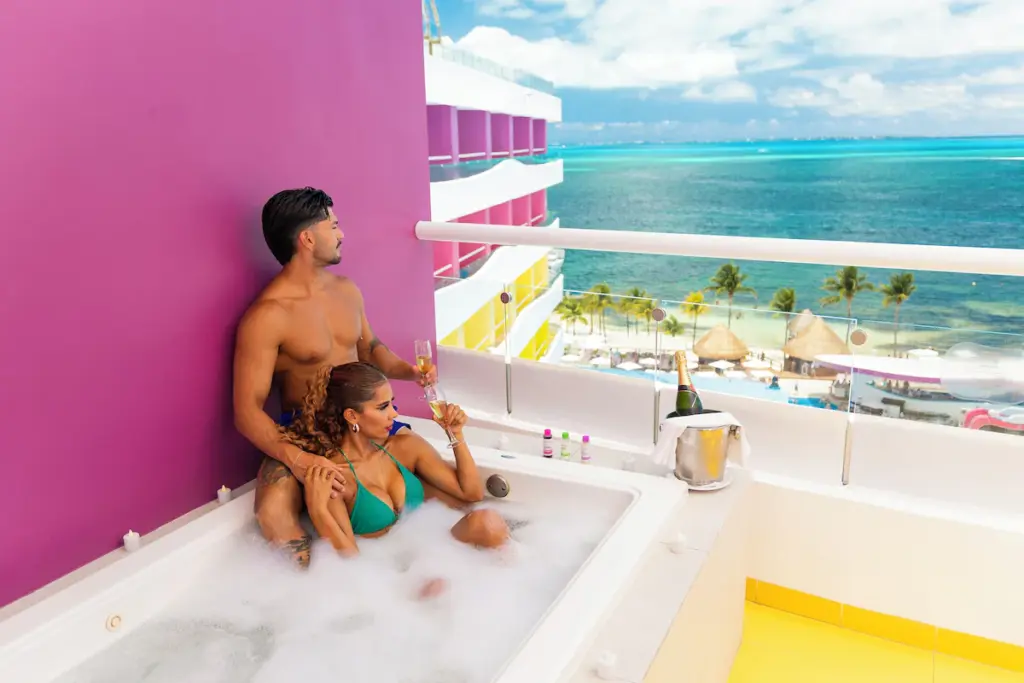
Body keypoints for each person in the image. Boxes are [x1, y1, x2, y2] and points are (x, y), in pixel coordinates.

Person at [233, 187, 437, 567]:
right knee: (273, 513)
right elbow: (246, 412)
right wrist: (296, 459)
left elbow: (371, 350)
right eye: (334, 225)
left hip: (359, 424)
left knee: (440, 476)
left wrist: (410, 372)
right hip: (307, 433)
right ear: (307, 238)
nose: (342, 234)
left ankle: (422, 565)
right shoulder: (268, 316)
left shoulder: (347, 291)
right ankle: (326, 600)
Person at [282, 362, 508, 559]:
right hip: (389, 576)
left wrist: (456, 433)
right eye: (382, 407)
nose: (394, 414)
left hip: (434, 553)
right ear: (352, 416)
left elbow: (472, 493)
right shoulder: (335, 476)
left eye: (391, 403)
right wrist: (318, 510)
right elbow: (349, 560)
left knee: (486, 522)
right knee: (437, 585)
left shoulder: (403, 446)